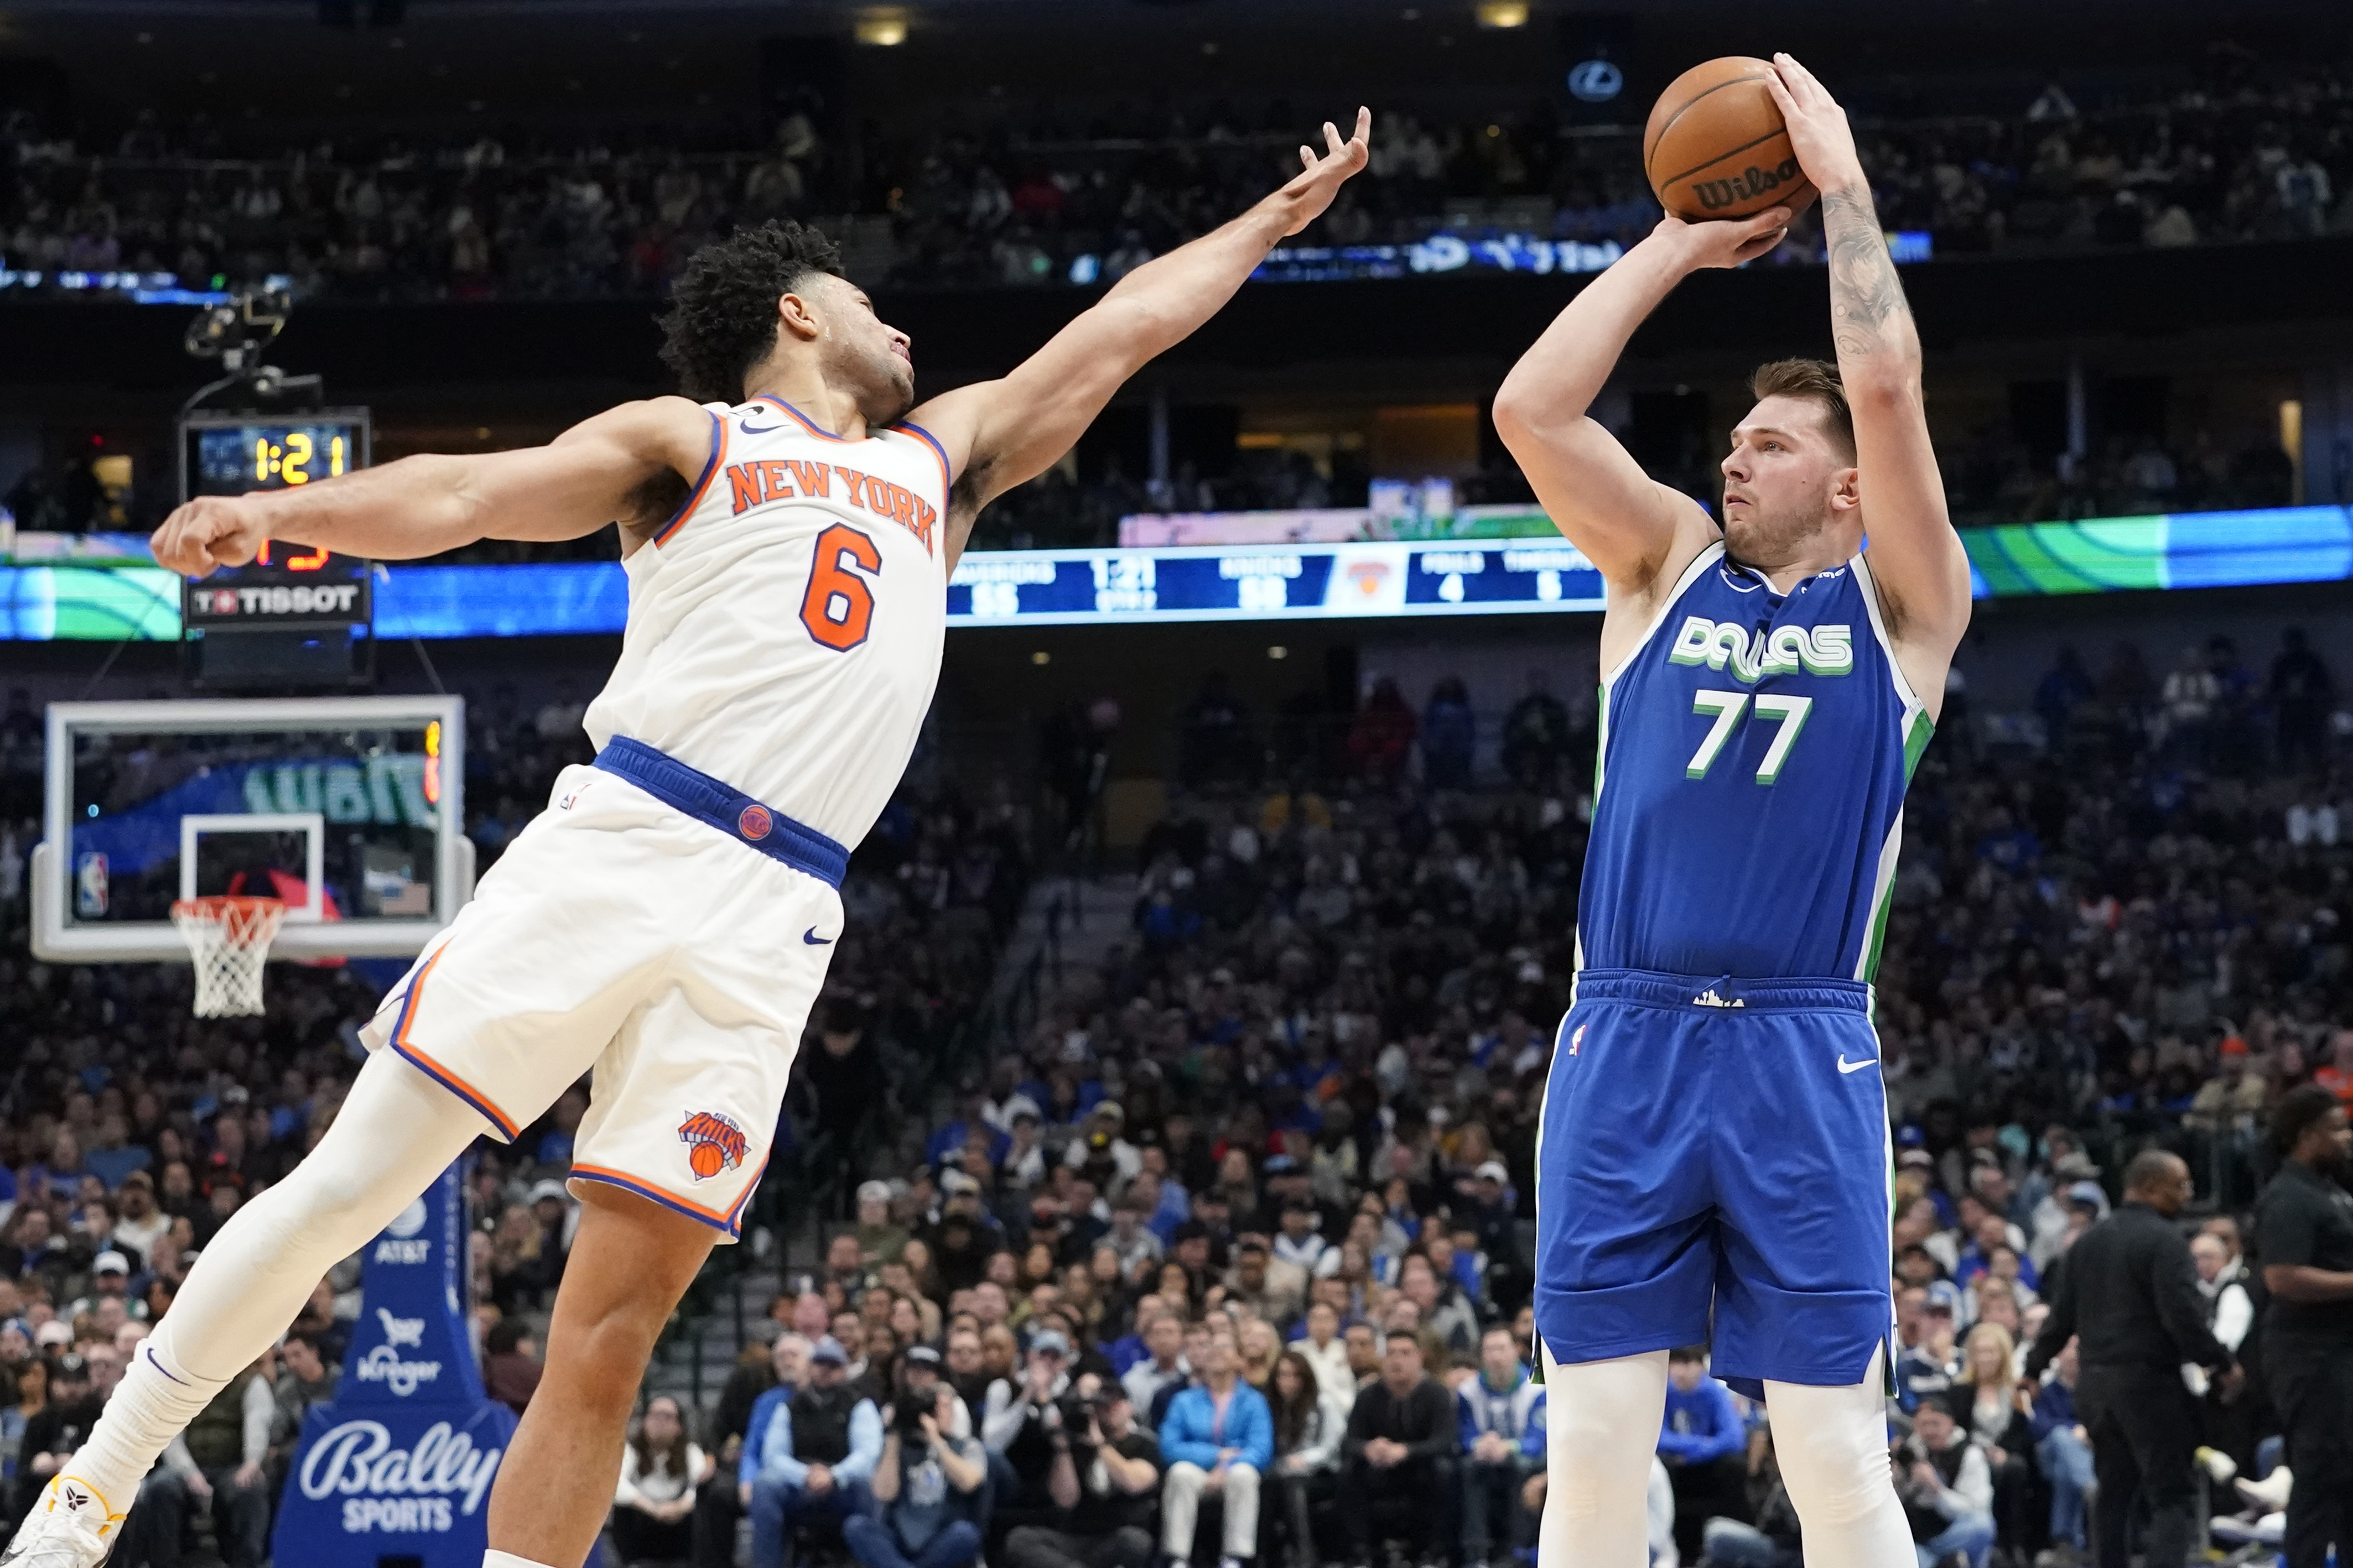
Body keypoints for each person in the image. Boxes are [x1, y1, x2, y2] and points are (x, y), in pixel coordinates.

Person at [2, 112, 1376, 1568]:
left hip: (778, 914)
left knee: (609, 1333)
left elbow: (1117, 331)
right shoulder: (691, 440)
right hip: (630, 835)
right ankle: (89, 1491)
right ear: (797, 312)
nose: (897, 319)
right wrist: (276, 515)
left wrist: (1268, 222)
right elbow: (469, 495)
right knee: (349, 1189)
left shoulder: (944, 458)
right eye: (866, 296)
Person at [1492, 55, 1974, 1568]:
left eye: (1769, 443)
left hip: (1798, 1040)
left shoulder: (1905, 611)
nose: (1732, 455)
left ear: (1844, 491)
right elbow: (1531, 405)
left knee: (1833, 1457)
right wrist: (1679, 241)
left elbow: (1882, 383)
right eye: (1734, 439)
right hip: (1621, 1033)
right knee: (1588, 1456)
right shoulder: (1660, 570)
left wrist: (1838, 194)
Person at [2024, 1151, 2241, 1568]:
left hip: (2094, 1385)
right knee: (2171, 1495)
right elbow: (2182, 1315)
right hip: (2148, 1384)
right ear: (2150, 1187)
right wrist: (2220, 1363)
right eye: (2180, 1185)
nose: (2188, 1192)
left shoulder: (2087, 1242)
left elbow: (2059, 1316)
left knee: (2114, 1490)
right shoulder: (2165, 1240)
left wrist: (2033, 1367)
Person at [2252, 1086, 2353, 1568]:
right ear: (2307, 1136)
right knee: (2319, 1475)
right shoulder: (2288, 1196)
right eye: (2337, 1128)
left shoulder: (2330, 1188)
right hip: (2309, 1355)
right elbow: (2282, 1277)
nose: (2347, 1136)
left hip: (2339, 1351)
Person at [745, 1337, 884, 1568]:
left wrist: (834, 1475)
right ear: (810, 1368)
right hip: (800, 1484)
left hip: (844, 1485)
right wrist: (804, 1475)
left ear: (844, 1371)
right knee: (764, 1485)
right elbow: (774, 1455)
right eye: (820, 1364)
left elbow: (868, 1454)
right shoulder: (789, 1407)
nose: (826, 1371)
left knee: (867, 1484)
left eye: (834, 1366)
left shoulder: (861, 1405)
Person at [1003, 1380, 1161, 1568]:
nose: (1111, 1409)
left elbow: (1133, 1483)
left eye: (1117, 1403)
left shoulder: (1144, 1444)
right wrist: (1063, 1449)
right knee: (1020, 1539)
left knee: (1136, 1542)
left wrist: (1100, 1444)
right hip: (1074, 1537)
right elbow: (1065, 1501)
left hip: (1117, 1535)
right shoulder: (1076, 1446)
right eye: (1104, 1406)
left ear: (1130, 1408)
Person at [1338, 1330, 1457, 1568]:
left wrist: (1406, 1451)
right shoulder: (1368, 1395)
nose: (1397, 1360)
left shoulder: (1437, 1394)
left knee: (1444, 1470)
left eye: (1405, 1353)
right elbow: (1349, 1442)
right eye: (1391, 1353)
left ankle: (1433, 1553)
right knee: (1348, 1472)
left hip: (1421, 1468)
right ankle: (1362, 1553)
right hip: (1380, 1470)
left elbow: (1445, 1441)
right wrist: (1368, 1449)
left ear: (1420, 1358)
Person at [1158, 1326, 1272, 1568]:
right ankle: (1178, 1558)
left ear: (1240, 1360)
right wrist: (1216, 1456)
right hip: (1199, 1471)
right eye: (1212, 1347)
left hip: (1234, 1472)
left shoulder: (1254, 1401)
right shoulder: (1184, 1400)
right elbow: (1169, 1446)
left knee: (1245, 1475)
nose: (1216, 1352)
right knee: (1180, 1473)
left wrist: (1227, 1466)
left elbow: (1261, 1450)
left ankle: (1234, 1557)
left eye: (1225, 1346)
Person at [845, 1383, 986, 1568]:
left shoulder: (968, 1446)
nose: (937, 1413)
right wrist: (896, 1432)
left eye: (944, 1407)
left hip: (942, 1536)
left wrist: (936, 1440)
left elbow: (969, 1482)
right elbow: (883, 1493)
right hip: (899, 1537)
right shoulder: (896, 1448)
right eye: (932, 1408)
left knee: (966, 1534)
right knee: (856, 1526)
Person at [1458, 1326, 1544, 1568]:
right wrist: (1479, 1444)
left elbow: (1538, 1440)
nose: (1496, 1357)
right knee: (1468, 1468)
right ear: (1482, 1356)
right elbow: (1464, 1435)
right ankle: (1477, 1555)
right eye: (1489, 1350)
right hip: (1484, 1459)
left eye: (1502, 1349)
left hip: (1521, 1459)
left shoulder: (1536, 1390)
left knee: (1521, 1466)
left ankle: (1517, 1551)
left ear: (1515, 1352)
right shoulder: (1468, 1391)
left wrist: (1509, 1447)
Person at [1654, 1348, 1748, 1564]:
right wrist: (1699, 1444)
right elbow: (1657, 1437)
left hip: (1707, 1467)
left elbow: (1734, 1437)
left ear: (1700, 1366)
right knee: (1661, 1466)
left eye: (1687, 1363)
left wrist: (1696, 1453)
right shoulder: (1663, 1392)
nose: (1680, 1371)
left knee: (1733, 1466)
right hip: (1678, 1468)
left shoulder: (1713, 1392)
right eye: (1675, 1363)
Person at [1265, 1350, 1349, 1568]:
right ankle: (1266, 1556)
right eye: (1283, 1375)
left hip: (1321, 1472)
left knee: (1295, 1487)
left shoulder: (1323, 1403)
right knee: (1266, 1483)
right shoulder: (1270, 1406)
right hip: (1281, 1470)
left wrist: (1305, 1460)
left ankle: (1304, 1555)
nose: (1289, 1382)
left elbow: (1332, 1445)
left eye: (1295, 1376)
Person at [1897, 1395, 1997, 1568]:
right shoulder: (1909, 1452)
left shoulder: (1970, 1454)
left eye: (1935, 1424)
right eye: (1923, 1425)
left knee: (1982, 1525)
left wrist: (1937, 1489)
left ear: (1950, 1423)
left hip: (1950, 1532)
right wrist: (1897, 1477)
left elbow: (1975, 1509)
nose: (1929, 1431)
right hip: (1915, 1537)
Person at [614, 1394, 710, 1567]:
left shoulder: (690, 1452)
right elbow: (616, 1485)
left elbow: (699, 1485)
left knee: (704, 1508)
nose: (659, 1422)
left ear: (679, 1426)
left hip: (678, 1525)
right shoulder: (631, 1451)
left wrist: (681, 1506)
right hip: (642, 1523)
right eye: (654, 1415)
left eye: (667, 1417)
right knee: (622, 1508)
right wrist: (653, 1508)